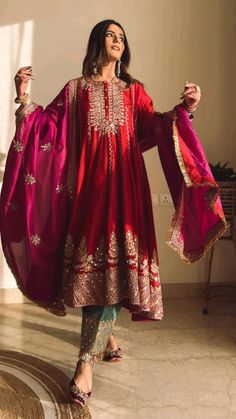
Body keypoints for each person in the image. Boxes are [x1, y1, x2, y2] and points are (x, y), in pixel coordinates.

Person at [0, 19, 226, 406]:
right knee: (96, 270)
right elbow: (44, 127)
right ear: (97, 42)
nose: (117, 40)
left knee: (116, 266)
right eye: (110, 34)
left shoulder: (133, 92)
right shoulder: (75, 91)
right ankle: (105, 341)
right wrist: (23, 98)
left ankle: (85, 363)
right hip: (89, 194)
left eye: (122, 37)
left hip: (126, 191)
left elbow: (157, 127)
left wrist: (184, 111)